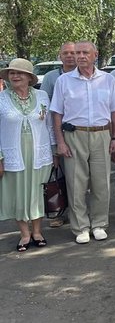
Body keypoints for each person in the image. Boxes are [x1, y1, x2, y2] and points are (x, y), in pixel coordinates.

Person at [51, 41, 115, 244]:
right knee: (76, 183)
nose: (80, 56)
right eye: (77, 52)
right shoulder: (64, 81)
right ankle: (81, 226)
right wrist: (60, 142)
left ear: (95, 55)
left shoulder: (108, 80)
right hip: (75, 136)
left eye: (85, 52)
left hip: (102, 135)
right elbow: (57, 114)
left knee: (101, 183)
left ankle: (99, 224)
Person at [0, 59, 56, 252]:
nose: (15, 76)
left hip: (39, 152)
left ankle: (38, 231)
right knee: (18, 194)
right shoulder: (2, 98)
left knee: (36, 192)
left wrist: (55, 150)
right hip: (12, 154)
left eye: (20, 73)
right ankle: (24, 234)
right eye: (12, 73)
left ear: (29, 77)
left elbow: (49, 125)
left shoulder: (42, 96)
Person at [39, 41, 76, 228]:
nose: (70, 56)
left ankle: (83, 212)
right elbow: (44, 108)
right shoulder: (51, 77)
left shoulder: (86, 75)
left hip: (83, 134)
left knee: (84, 178)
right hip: (59, 133)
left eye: (73, 53)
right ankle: (62, 212)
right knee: (64, 175)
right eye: (66, 53)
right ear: (59, 55)